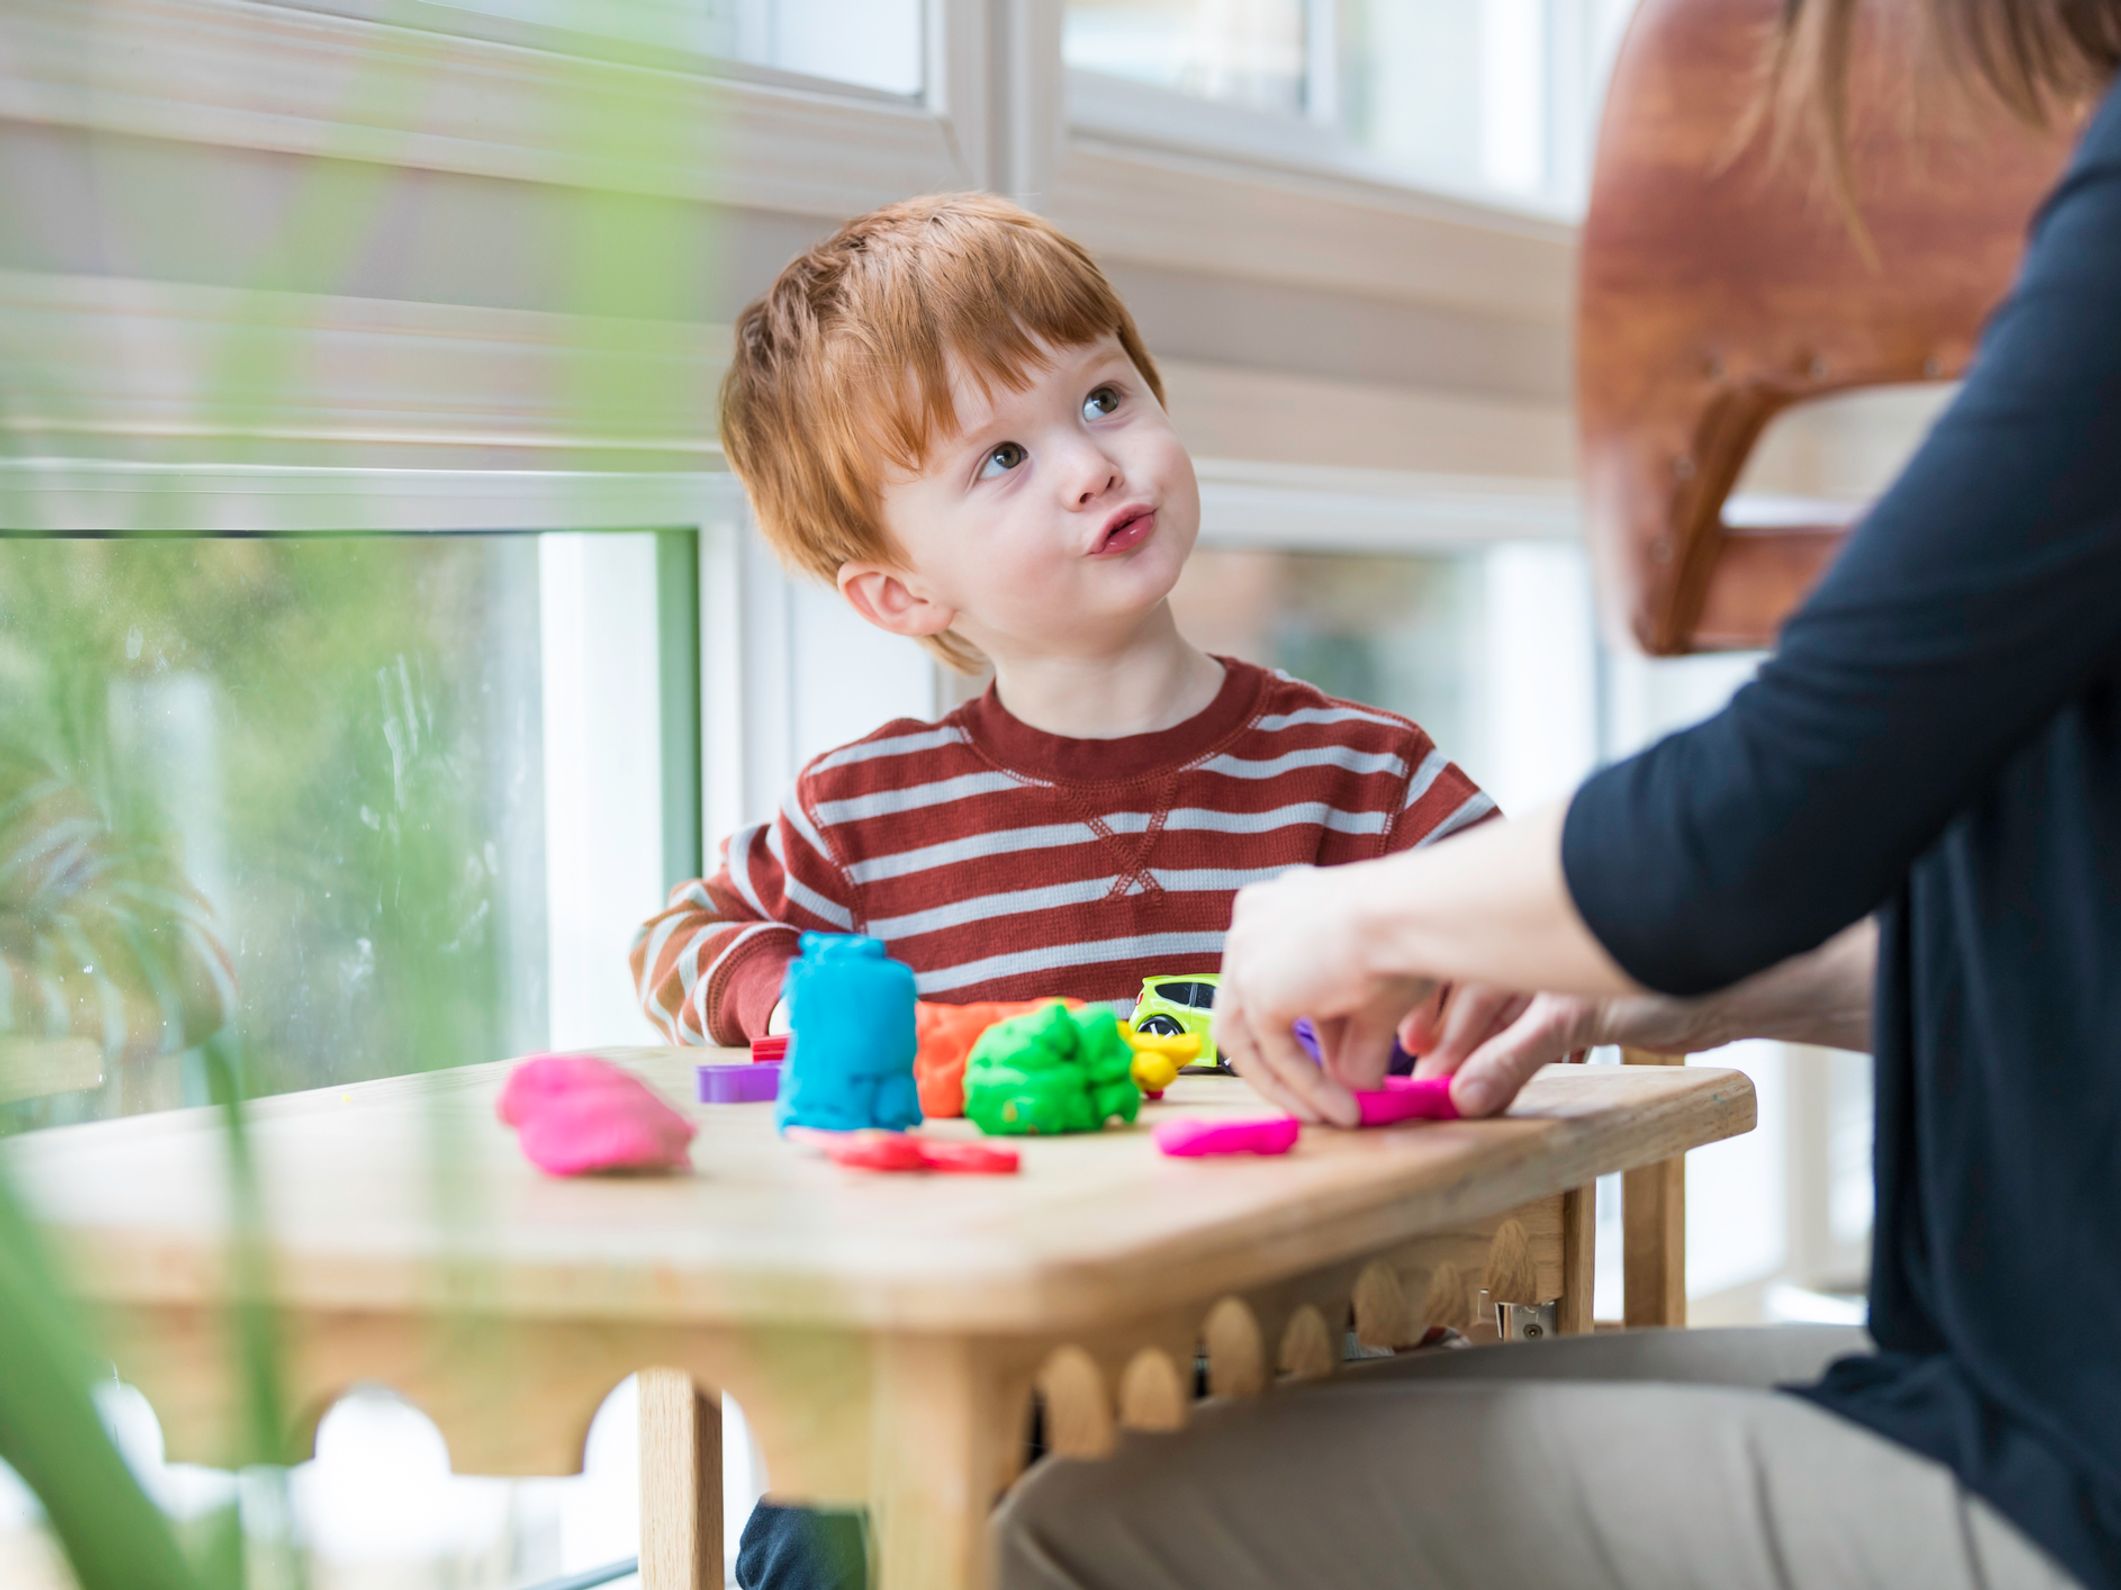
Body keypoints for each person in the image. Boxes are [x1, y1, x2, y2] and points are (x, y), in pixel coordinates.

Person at [993, 3, 2121, 1586]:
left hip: (2067, 1467)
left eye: (1106, 404)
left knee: (1064, 1530)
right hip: (2032, 1393)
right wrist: (1636, 979)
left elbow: (1766, 811)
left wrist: (1360, 902)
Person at [629, 192, 1496, 1590]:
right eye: (1001, 460)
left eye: (1103, 396)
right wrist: (782, 991)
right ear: (900, 595)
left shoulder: (1356, 771)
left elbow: (1517, 924)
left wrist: (1433, 981)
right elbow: (678, 934)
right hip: (970, 1358)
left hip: (1284, 1349)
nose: (1090, 469)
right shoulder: (865, 804)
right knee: (817, 1531)